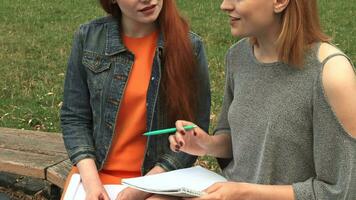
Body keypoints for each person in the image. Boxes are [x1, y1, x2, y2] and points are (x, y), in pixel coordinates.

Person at [169, 0, 356, 199]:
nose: (224, 5)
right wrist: (207, 145)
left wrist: (246, 193)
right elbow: (239, 140)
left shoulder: (330, 74)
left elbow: (340, 191)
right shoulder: (238, 56)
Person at [60, 0, 211, 199]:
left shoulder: (190, 47)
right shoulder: (89, 38)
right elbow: (74, 117)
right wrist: (91, 183)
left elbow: (194, 133)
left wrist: (143, 188)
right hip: (94, 174)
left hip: (160, 179)